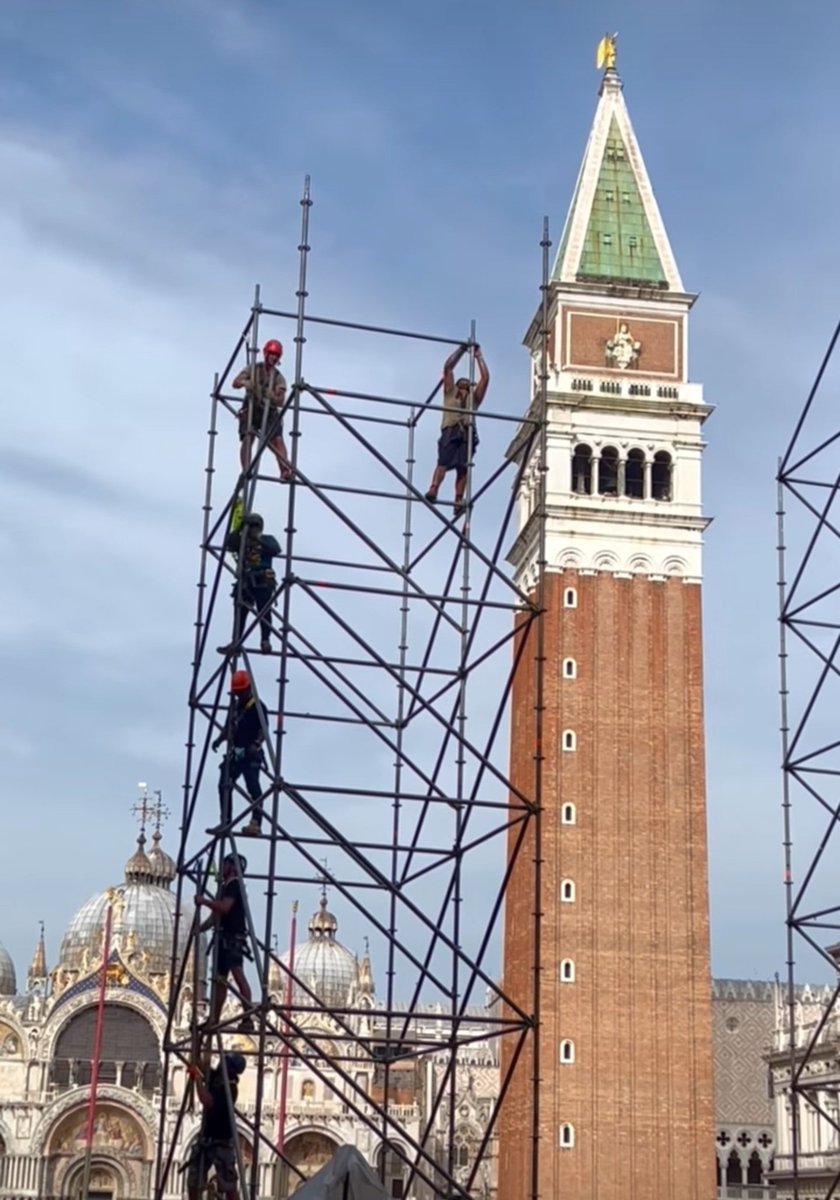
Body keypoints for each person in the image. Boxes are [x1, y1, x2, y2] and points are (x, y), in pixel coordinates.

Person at [425, 345, 490, 517]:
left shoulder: (473, 399)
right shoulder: (450, 392)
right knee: (443, 462)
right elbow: (448, 367)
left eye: (468, 384)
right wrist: (462, 350)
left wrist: (479, 357)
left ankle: (458, 499)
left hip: (467, 433)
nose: (466, 384)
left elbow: (485, 378)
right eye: (463, 382)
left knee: (463, 467)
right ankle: (434, 488)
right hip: (450, 430)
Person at [196, 855, 253, 1033]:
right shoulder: (224, 887)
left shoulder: (235, 884)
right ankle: (214, 1018)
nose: (221, 867)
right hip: (223, 939)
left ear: (232, 867)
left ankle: (247, 1017)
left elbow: (225, 907)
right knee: (219, 981)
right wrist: (200, 929)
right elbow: (215, 917)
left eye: (224, 864)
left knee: (237, 976)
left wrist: (204, 901)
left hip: (232, 939)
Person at [211, 670, 269, 837]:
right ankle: (225, 821)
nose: (238, 695)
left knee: (253, 788)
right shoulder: (236, 706)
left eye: (240, 692)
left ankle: (256, 822)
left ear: (248, 688)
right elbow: (229, 727)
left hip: (250, 753)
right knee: (224, 784)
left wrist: (256, 744)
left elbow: (264, 731)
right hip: (236, 753)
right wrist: (219, 740)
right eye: (236, 693)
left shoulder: (258, 706)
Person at [185, 1052, 247, 1200]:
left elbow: (206, 1100)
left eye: (224, 1062)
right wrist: (199, 1044)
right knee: (193, 1181)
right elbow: (203, 1067)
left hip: (221, 1141)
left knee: (228, 1185)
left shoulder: (229, 1088)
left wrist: (198, 1079)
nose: (220, 1063)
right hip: (206, 1138)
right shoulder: (218, 1078)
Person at [218, 513, 282, 655]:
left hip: (263, 579)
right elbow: (229, 543)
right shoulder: (242, 542)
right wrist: (241, 527)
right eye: (251, 526)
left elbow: (275, 550)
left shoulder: (267, 539)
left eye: (255, 526)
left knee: (263, 611)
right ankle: (236, 642)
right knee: (240, 612)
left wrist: (258, 539)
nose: (253, 529)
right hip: (246, 580)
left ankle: (265, 640)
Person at [232, 339, 292, 481]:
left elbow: (280, 400)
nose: (274, 358)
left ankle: (285, 470)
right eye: (272, 354)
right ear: (266, 353)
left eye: (277, 355)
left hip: (269, 410)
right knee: (248, 437)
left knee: (277, 439)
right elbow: (235, 383)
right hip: (252, 407)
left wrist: (269, 394)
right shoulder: (253, 369)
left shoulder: (278, 377)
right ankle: (246, 469)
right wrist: (246, 382)